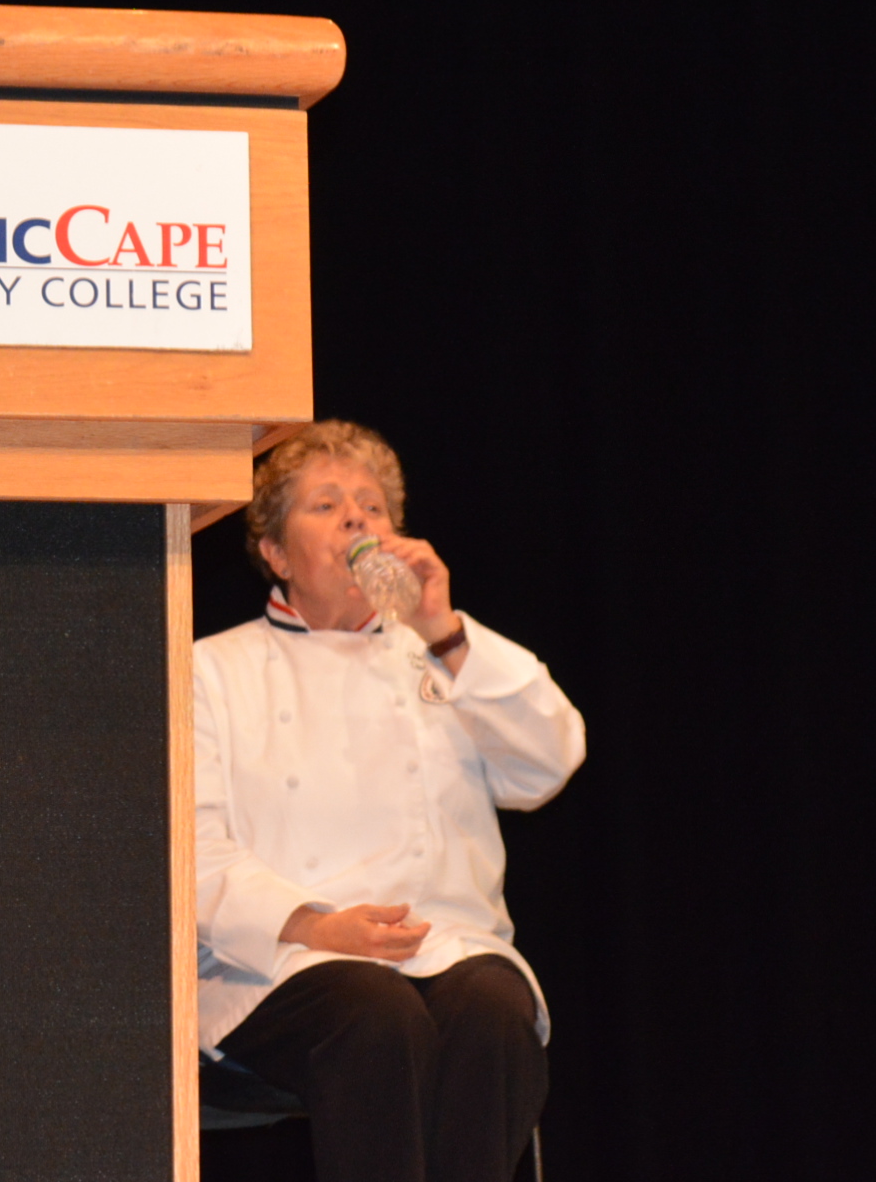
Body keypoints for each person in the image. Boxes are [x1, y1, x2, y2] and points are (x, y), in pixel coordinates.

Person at [192, 420, 585, 1182]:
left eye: (373, 507)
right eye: (327, 505)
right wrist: (317, 923)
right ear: (274, 552)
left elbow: (549, 763)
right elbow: (194, 851)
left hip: (445, 942)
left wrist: (441, 626)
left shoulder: (442, 655)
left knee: (496, 1019)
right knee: (376, 1016)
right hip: (284, 957)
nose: (357, 521)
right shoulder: (213, 670)